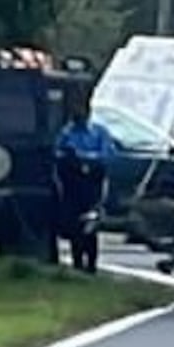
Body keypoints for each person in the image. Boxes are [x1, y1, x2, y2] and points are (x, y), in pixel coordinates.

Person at [52, 98, 118, 272]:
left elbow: (108, 154)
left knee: (90, 222)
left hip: (92, 183)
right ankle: (77, 262)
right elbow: (57, 153)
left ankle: (91, 263)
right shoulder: (66, 133)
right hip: (73, 184)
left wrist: (84, 157)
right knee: (74, 224)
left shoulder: (98, 132)